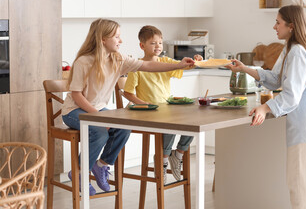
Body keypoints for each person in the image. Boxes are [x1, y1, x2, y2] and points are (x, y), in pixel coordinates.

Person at [62, 19, 195, 195]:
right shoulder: (84, 62)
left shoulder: (118, 59)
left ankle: (101, 164)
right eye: (117, 36)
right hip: (74, 110)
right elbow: (77, 95)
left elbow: (148, 65)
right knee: (100, 131)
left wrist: (178, 65)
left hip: (97, 109)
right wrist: (100, 117)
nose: (121, 41)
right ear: (102, 39)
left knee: (124, 126)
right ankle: (80, 173)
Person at [226, 5, 306, 209]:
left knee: (302, 194)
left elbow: (291, 96)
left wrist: (265, 109)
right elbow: (276, 79)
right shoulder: (296, 48)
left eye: (278, 22)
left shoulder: (296, 52)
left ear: (291, 26)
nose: (274, 26)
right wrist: (245, 69)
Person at [123, 25, 202, 184]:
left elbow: (184, 65)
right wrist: (143, 104)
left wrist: (196, 61)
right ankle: (163, 160)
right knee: (170, 122)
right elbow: (128, 93)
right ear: (142, 46)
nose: (158, 46)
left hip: (165, 107)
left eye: (160, 42)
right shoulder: (136, 67)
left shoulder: (166, 62)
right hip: (147, 112)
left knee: (194, 120)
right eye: (153, 43)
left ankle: (178, 154)